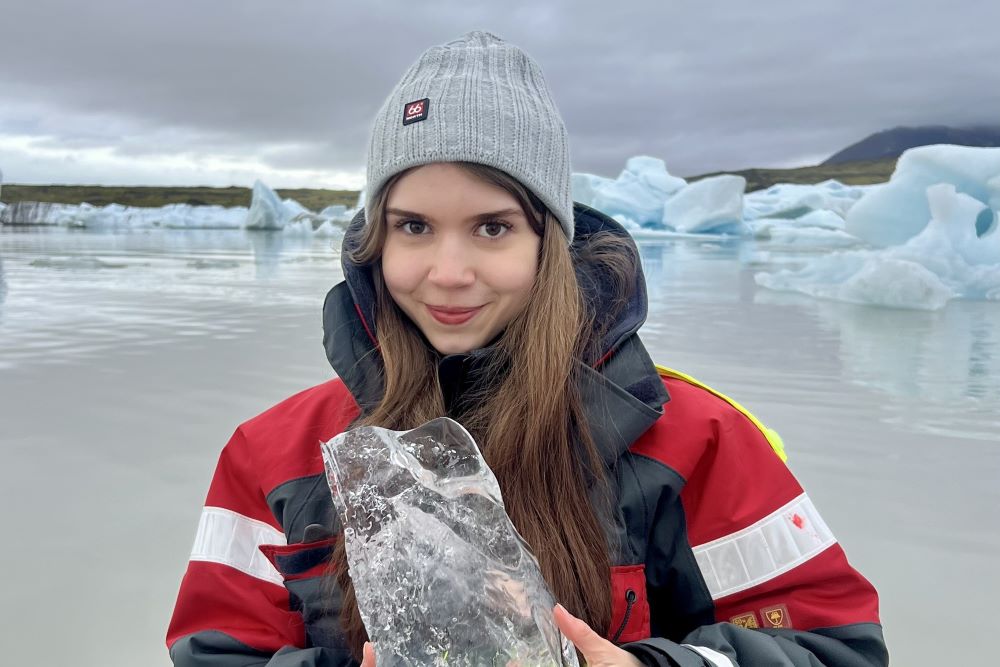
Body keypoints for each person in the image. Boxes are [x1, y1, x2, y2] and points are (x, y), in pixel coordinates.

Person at [167, 31, 887, 667]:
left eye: (492, 227)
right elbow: (217, 654)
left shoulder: (698, 442)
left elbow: (835, 648)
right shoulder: (273, 459)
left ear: (550, 242)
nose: (448, 273)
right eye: (414, 226)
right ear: (374, 240)